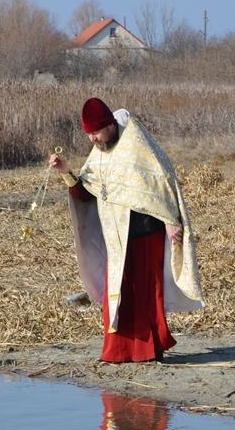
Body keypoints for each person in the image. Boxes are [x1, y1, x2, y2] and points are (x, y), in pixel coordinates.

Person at [49, 97, 203, 362]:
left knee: (146, 292)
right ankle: (118, 352)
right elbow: (87, 192)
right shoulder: (100, 154)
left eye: (96, 132)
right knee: (117, 292)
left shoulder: (136, 144)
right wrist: (66, 172)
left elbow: (160, 184)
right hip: (117, 236)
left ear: (109, 124)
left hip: (146, 232)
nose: (93, 139)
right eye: (89, 134)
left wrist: (170, 221)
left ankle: (148, 350)